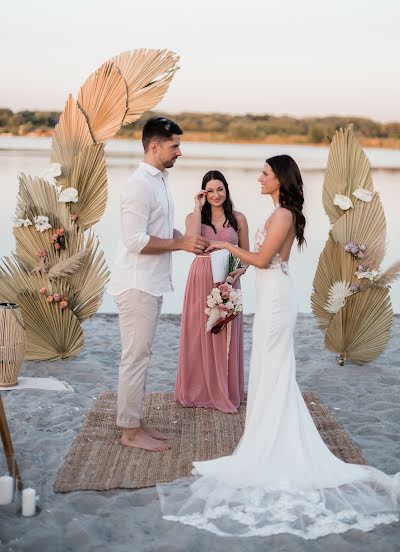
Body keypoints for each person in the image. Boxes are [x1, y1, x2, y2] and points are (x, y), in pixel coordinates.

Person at [158, 155, 400, 538]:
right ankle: (265, 434)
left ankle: (272, 442)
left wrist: (227, 250)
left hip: (276, 299)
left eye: (266, 174)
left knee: (273, 366)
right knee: (269, 368)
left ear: (280, 179)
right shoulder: (278, 213)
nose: (260, 178)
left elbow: (262, 259)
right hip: (270, 295)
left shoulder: (284, 215)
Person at [108, 117, 209, 452]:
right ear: (154, 146)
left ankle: (134, 421)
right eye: (174, 145)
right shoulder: (138, 185)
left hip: (151, 282)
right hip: (137, 284)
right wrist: (179, 245)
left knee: (142, 355)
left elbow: (163, 232)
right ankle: (130, 432)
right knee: (135, 357)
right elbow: (135, 240)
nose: (180, 151)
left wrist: (188, 241)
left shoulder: (160, 181)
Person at [174, 170, 249, 413]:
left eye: (220, 189)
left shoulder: (238, 218)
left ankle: (224, 390)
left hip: (228, 278)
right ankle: (198, 390)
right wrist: (197, 208)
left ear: (226, 190)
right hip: (201, 276)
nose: (216, 195)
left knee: (224, 329)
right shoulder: (192, 217)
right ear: (203, 193)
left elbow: (246, 257)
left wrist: (235, 275)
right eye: (210, 190)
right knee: (199, 331)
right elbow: (192, 242)